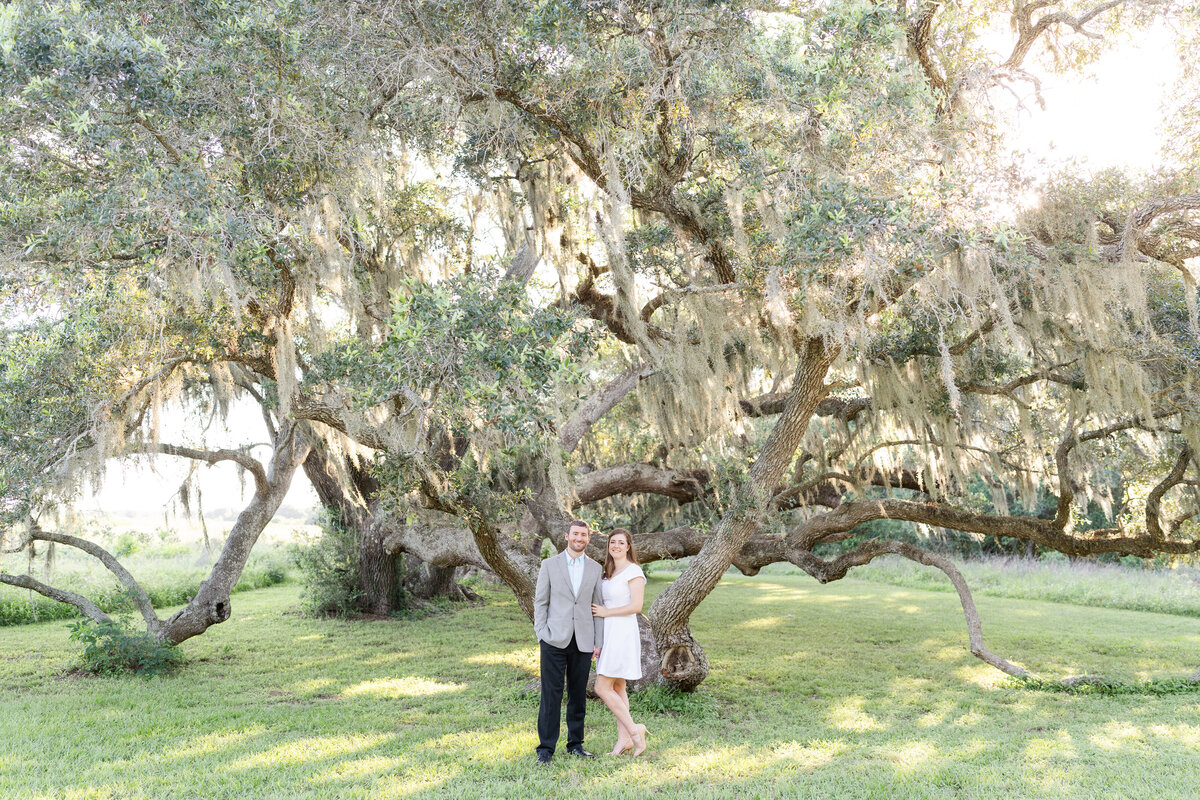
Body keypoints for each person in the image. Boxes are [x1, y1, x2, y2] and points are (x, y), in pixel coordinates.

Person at [532, 519, 604, 764]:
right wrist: (541, 632)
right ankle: (545, 749)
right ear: (566, 536)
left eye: (583, 535)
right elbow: (540, 602)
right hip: (554, 638)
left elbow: (597, 607)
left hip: (583, 641)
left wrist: (598, 640)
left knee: (577, 695)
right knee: (551, 694)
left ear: (588, 538)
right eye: (575, 534)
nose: (579, 538)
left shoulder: (595, 568)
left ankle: (575, 744)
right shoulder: (549, 565)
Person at [590, 528, 649, 756]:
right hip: (608, 632)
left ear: (628, 546)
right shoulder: (609, 572)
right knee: (618, 686)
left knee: (601, 687)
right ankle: (623, 740)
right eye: (612, 542)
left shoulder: (633, 571)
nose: (615, 545)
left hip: (622, 633)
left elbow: (637, 606)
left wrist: (607, 612)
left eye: (620, 542)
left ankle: (635, 732)